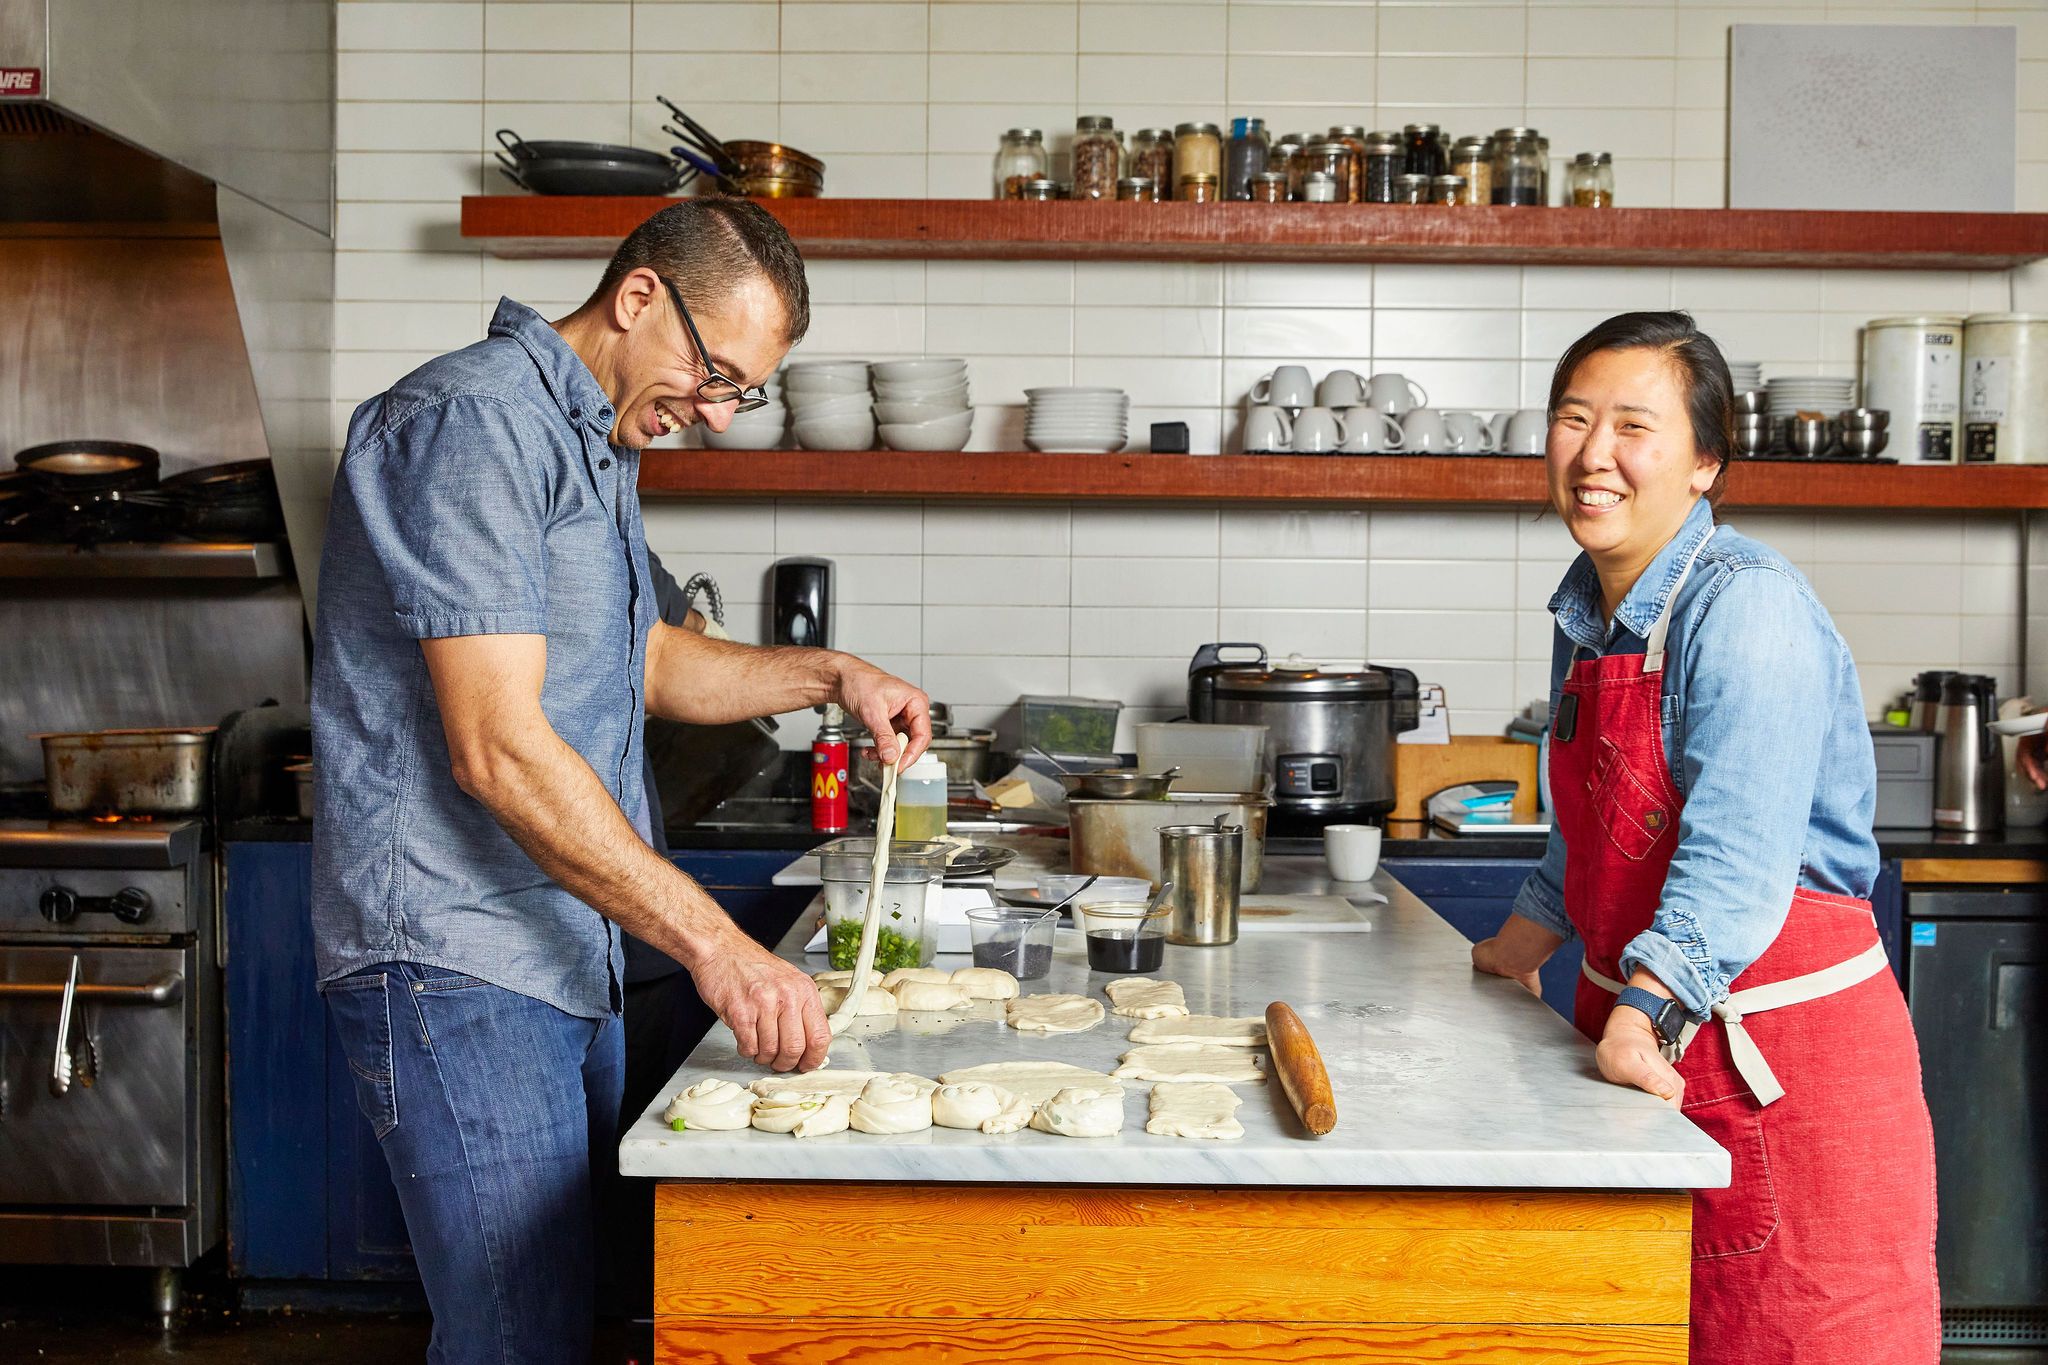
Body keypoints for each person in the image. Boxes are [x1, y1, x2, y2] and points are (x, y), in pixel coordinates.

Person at [309, 198, 931, 1365]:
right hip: (455, 959)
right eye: (713, 373)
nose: (710, 411)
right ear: (638, 295)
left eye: (735, 393)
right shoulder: (471, 424)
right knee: (513, 1338)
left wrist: (827, 674)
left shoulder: (592, 441)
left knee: (566, 1320)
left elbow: (641, 659)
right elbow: (496, 746)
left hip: (558, 947)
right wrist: (718, 946)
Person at [1470, 312, 1938, 1364]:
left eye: (1632, 426)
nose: (1593, 455)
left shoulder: (1746, 604)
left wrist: (1640, 1012)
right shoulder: (1588, 611)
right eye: (1571, 419)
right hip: (1654, 1048)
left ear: (1705, 462)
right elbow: (1591, 827)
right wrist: (1522, 943)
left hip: (1774, 1065)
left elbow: (1734, 853)